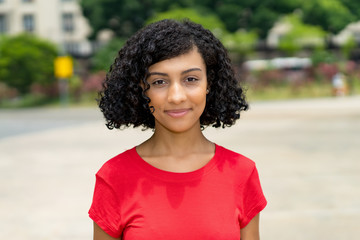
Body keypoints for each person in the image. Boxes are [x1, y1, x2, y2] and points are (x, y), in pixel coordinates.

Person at [89, 19, 267, 240]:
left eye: (190, 79)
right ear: (141, 90)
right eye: (159, 82)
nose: (176, 96)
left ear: (209, 84)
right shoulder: (114, 177)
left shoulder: (242, 172)